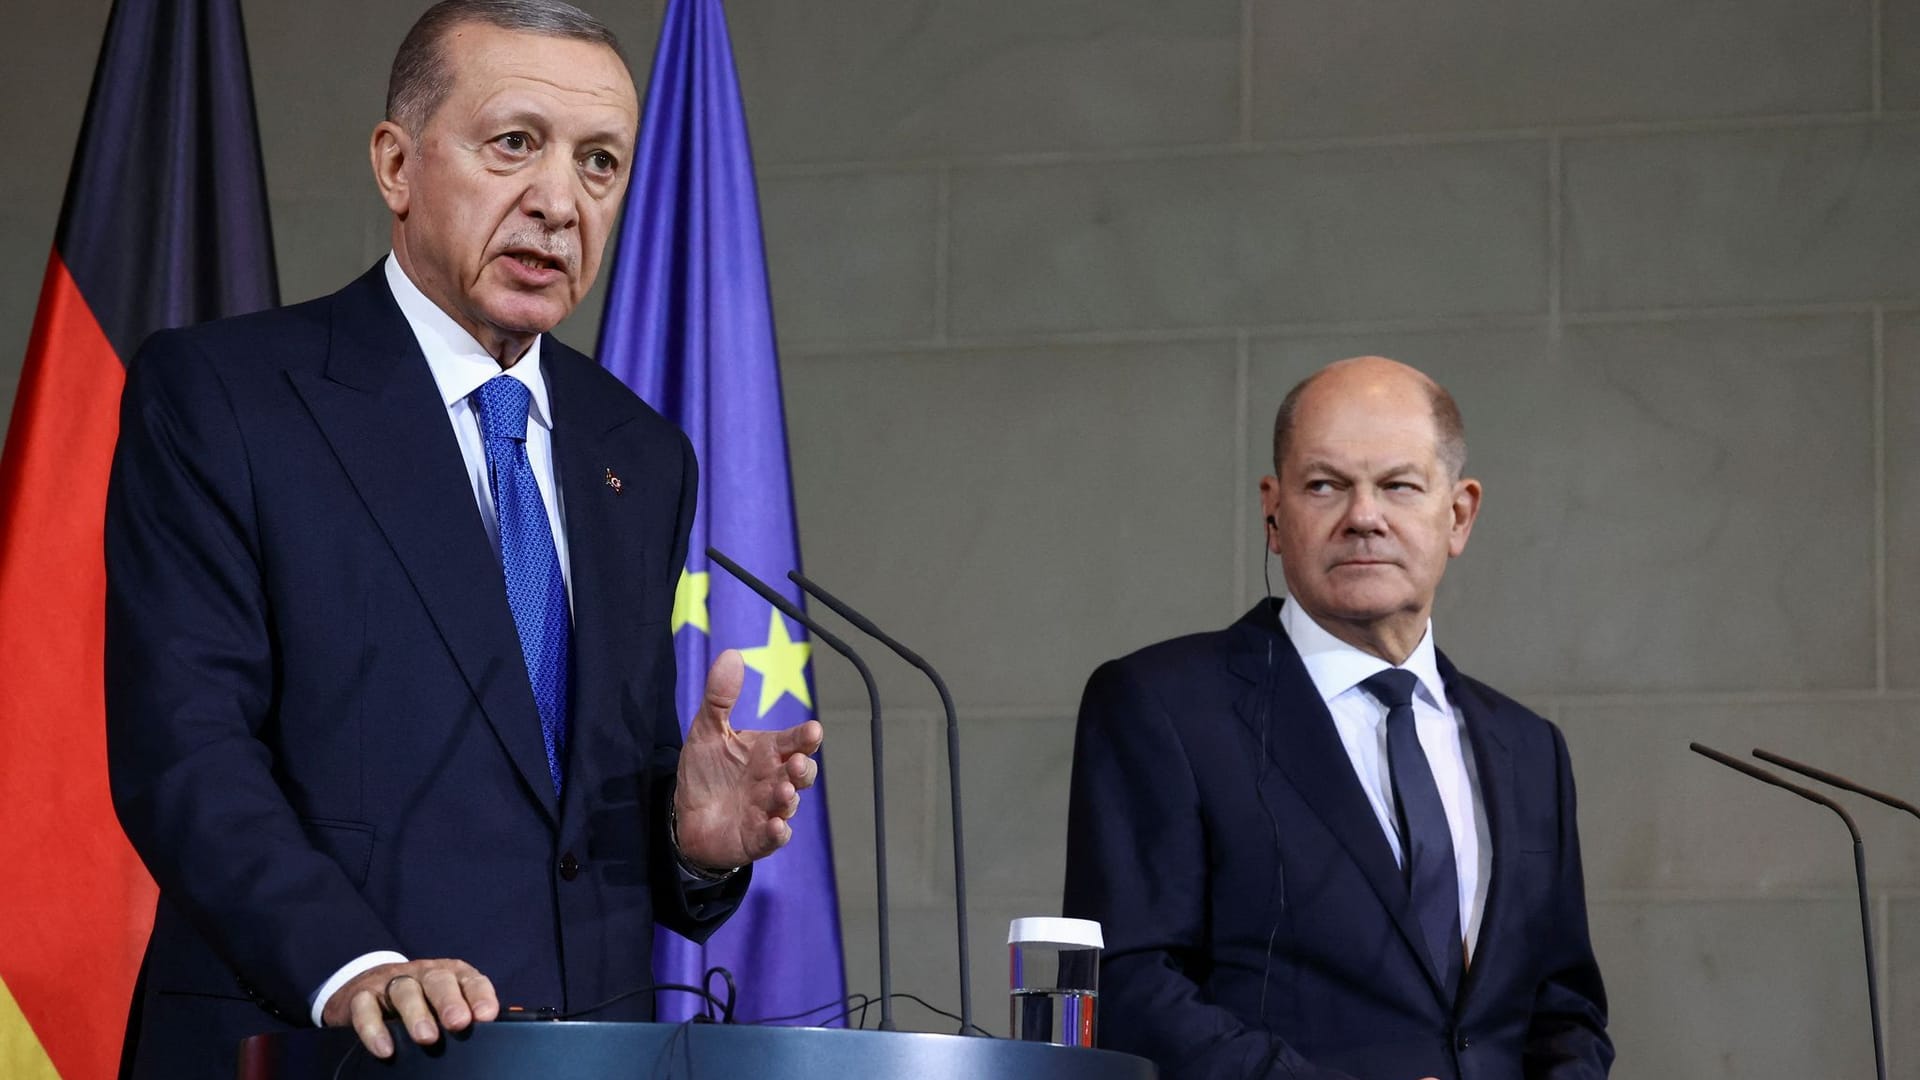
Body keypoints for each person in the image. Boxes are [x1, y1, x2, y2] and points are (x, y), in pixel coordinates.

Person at [103, 2, 822, 1074]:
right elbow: (187, 753)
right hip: (309, 1045)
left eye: (599, 164)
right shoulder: (225, 398)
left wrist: (687, 842)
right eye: (515, 144)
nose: (558, 203)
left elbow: (566, 801)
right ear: (397, 165)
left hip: (574, 1055)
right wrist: (355, 965)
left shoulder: (640, 452)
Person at [1062, 356, 1611, 1079]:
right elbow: (1128, 986)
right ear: (1274, 512)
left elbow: (1564, 1010)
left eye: (1398, 485)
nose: (1363, 517)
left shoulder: (1530, 748)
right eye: (1325, 485)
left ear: (1459, 514)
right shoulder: (1162, 704)